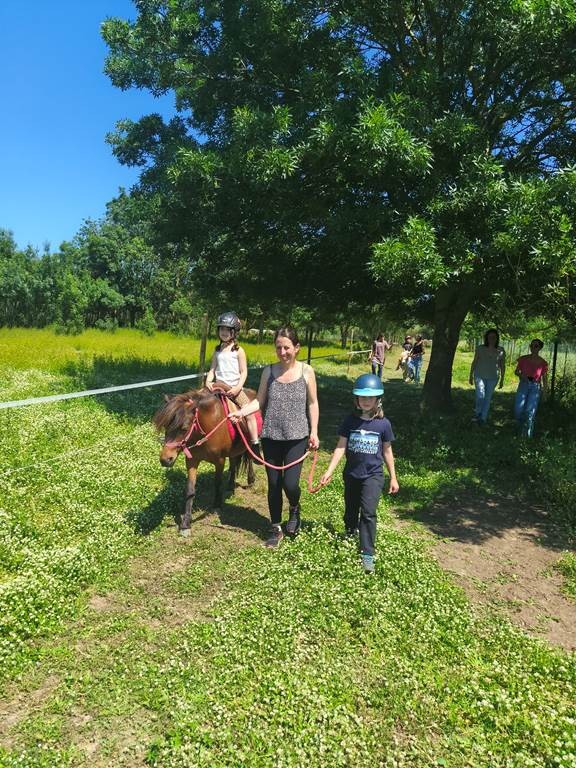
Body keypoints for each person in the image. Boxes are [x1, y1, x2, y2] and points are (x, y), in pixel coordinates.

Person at [229, 326, 319, 548]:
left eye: (287, 347)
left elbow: (312, 403)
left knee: (290, 484)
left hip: (297, 436)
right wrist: (241, 412)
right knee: (273, 483)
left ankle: (295, 508)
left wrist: (314, 431)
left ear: (296, 348)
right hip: (271, 436)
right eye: (278, 347)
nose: (282, 352)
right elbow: (260, 401)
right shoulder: (269, 372)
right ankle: (276, 527)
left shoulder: (307, 372)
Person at [320, 374, 399, 574]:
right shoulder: (350, 421)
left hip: (373, 475)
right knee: (351, 507)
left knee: (369, 512)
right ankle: (349, 530)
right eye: (362, 397)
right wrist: (329, 471)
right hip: (351, 474)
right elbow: (340, 447)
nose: (365, 401)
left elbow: (387, 451)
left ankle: (367, 554)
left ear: (378, 399)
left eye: (370, 398)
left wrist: (393, 477)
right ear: (356, 399)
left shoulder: (384, 425)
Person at [205, 311, 261, 455]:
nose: (223, 333)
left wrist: (237, 388)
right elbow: (212, 369)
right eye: (221, 329)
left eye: (227, 330)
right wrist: (208, 380)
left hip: (233, 389)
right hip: (217, 388)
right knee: (198, 404)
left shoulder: (239, 351)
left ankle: (254, 442)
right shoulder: (217, 350)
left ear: (234, 332)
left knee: (249, 414)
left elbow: (244, 372)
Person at [468, 328, 506, 424]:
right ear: (486, 338)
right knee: (480, 395)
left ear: (497, 338)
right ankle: (477, 413)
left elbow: (502, 365)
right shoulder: (480, 348)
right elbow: (474, 361)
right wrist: (470, 375)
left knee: (487, 398)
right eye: (490, 337)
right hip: (479, 375)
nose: (492, 339)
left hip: (493, 378)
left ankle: (483, 418)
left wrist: (502, 379)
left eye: (494, 337)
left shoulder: (501, 350)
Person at [514, 339, 548, 438]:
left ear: (540, 348)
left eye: (536, 346)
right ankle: (520, 429)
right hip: (523, 384)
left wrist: (545, 393)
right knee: (518, 409)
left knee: (530, 411)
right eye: (532, 345)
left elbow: (545, 379)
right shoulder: (523, 359)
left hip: (535, 387)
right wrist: (521, 375)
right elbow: (516, 371)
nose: (533, 348)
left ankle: (527, 436)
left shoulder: (543, 363)